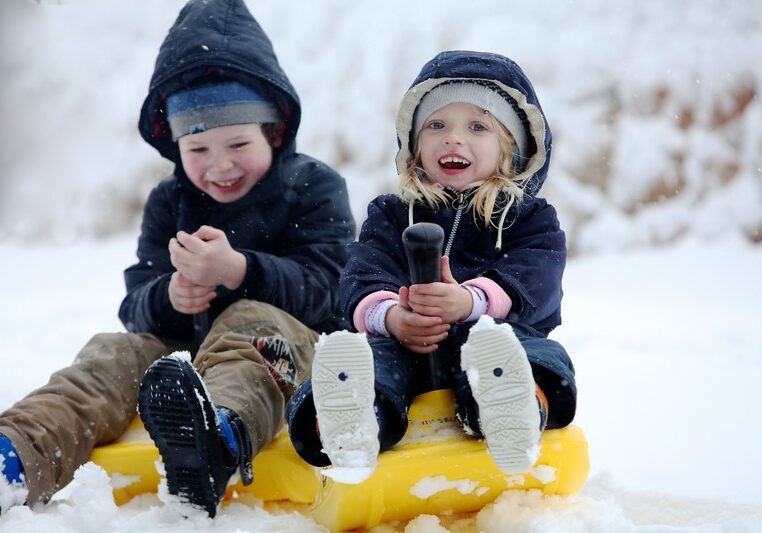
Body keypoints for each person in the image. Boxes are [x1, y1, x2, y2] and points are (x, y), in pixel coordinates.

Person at [0, 0, 354, 518]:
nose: (220, 165)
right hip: (179, 355)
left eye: (237, 142)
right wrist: (171, 295)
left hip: (287, 347)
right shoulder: (170, 201)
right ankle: (17, 455)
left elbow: (333, 287)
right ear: (175, 147)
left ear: (274, 132)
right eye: (198, 150)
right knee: (110, 355)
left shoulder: (313, 187)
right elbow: (136, 304)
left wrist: (243, 272)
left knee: (250, 323)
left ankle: (217, 442)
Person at [286, 50, 576, 481]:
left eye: (477, 127)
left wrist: (470, 302)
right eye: (436, 125)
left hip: (489, 339)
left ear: (512, 151)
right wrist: (392, 316)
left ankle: (512, 405)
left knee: (532, 352)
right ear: (414, 145)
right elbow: (361, 274)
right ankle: (349, 422)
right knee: (366, 362)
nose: (453, 139)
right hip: (404, 347)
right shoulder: (391, 214)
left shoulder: (530, 219)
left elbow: (537, 280)